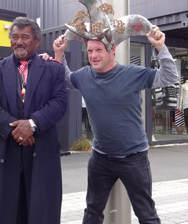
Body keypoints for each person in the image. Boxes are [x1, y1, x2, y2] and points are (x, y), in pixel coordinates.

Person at [53, 24, 179, 224]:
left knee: (146, 214)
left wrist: (161, 49)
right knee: (92, 211)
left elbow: (170, 77)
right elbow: (66, 80)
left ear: (112, 50)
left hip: (134, 158)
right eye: (90, 51)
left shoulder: (132, 74)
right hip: (100, 158)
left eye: (99, 50)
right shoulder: (85, 75)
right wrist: (59, 55)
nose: (93, 55)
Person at [0, 16, 68, 224]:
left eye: (25, 37)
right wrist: (15, 129)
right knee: (3, 211)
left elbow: (59, 102)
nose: (18, 42)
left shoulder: (54, 69)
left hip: (42, 149)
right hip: (5, 148)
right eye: (14, 37)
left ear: (37, 41)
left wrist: (32, 124)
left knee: (41, 211)